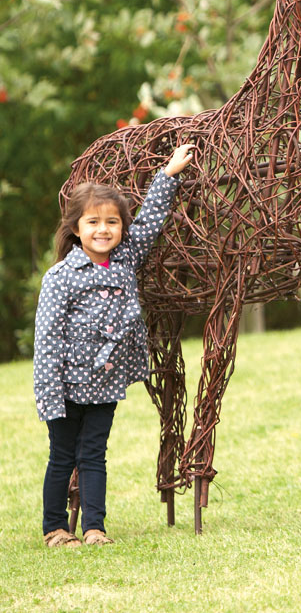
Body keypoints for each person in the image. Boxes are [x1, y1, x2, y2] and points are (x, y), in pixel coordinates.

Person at [33, 144, 195, 547]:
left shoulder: (124, 260)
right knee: (61, 458)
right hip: (66, 387)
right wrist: (49, 395)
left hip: (104, 383)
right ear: (75, 228)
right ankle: (55, 527)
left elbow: (151, 222)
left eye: (111, 222)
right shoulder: (61, 277)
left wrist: (169, 174)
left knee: (94, 456)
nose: (103, 230)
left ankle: (94, 528)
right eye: (93, 222)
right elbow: (47, 341)